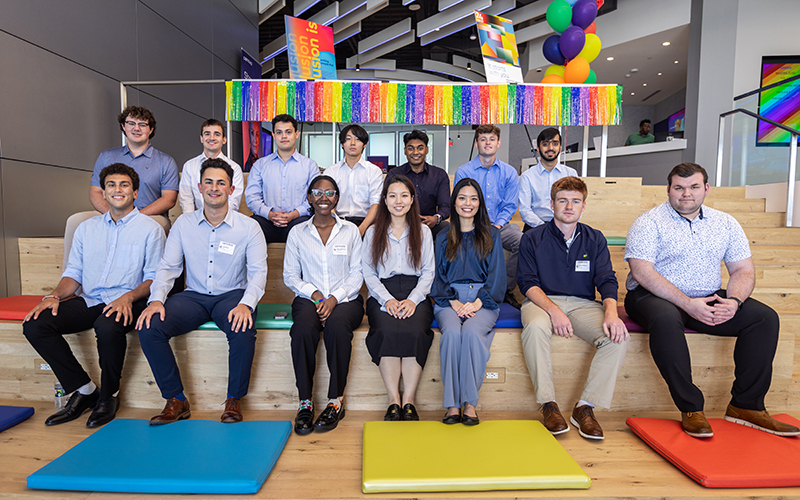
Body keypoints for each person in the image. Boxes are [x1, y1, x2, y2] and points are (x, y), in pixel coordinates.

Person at [624, 163, 799, 438]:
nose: (686, 194)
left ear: (706, 188)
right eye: (679, 188)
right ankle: (691, 408)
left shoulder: (725, 223)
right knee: (666, 319)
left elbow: (743, 270)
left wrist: (735, 301)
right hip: (652, 296)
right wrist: (687, 303)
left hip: (706, 296)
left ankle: (746, 406)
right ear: (668, 189)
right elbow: (642, 272)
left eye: (694, 187)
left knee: (764, 318)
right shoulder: (649, 222)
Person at [23, 164, 165, 428]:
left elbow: (154, 277)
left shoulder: (151, 229)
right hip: (90, 299)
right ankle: (84, 389)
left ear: (135, 192)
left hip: (129, 301)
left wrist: (128, 297)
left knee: (107, 326)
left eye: (124, 185)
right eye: (111, 185)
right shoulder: (86, 229)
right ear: (103, 192)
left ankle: (109, 395)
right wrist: (53, 296)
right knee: (35, 324)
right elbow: (73, 274)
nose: (117, 190)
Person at [136, 158, 267, 425]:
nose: (214, 188)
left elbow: (258, 273)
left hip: (231, 294)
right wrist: (156, 300)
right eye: (209, 182)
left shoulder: (249, 227)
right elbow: (167, 267)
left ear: (231, 190)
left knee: (242, 328)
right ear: (199, 187)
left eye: (221, 183)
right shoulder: (184, 224)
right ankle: (175, 399)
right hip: (193, 296)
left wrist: (246, 304)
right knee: (149, 325)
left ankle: (234, 398)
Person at [517, 177, 629, 440]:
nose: (569, 206)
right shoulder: (532, 238)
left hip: (583, 304)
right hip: (541, 301)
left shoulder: (595, 238)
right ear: (552, 204)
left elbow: (606, 279)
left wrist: (612, 313)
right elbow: (527, 283)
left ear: (583, 206)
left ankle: (585, 408)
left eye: (575, 201)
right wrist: (554, 311)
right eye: (563, 200)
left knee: (617, 338)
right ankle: (548, 404)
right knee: (534, 327)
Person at [284, 175, 364, 435]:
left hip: (346, 299)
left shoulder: (350, 231)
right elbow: (290, 276)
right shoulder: (297, 232)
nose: (323, 198)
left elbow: (358, 273)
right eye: (317, 192)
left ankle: (335, 401)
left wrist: (334, 298)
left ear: (336, 198)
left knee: (337, 328)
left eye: (329, 193)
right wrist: (317, 294)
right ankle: (305, 403)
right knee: (303, 330)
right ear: (309, 198)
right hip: (309, 298)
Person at [64, 106, 178, 269]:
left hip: (149, 215)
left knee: (158, 225)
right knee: (76, 220)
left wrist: (134, 217)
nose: (136, 128)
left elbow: (169, 199)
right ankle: (69, 282)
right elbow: (95, 192)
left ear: (151, 129)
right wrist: (111, 215)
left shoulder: (165, 161)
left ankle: (152, 284)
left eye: (142, 124)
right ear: (123, 127)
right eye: (131, 123)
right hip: (109, 214)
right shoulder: (107, 156)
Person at [431, 178, 505, 426]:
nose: (467, 203)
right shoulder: (442, 236)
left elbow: (497, 277)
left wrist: (476, 303)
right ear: (454, 202)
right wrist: (452, 301)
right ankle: (453, 404)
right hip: (448, 299)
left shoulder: (492, 234)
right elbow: (436, 277)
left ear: (480, 203)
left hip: (483, 299)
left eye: (473, 198)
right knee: (451, 334)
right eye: (462, 197)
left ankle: (470, 404)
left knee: (472, 334)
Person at [362, 175, 435, 422]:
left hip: (416, 292)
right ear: (384, 200)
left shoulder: (423, 231)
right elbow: (369, 273)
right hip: (383, 292)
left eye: (404, 195)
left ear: (412, 199)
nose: (398, 201)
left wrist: (414, 300)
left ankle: (409, 400)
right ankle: (394, 399)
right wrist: (387, 300)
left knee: (414, 331)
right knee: (386, 329)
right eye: (392, 195)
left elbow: (428, 272)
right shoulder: (373, 232)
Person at [454, 124, 522, 309]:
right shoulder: (464, 171)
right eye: (483, 139)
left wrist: (497, 226)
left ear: (498, 143)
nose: (487, 143)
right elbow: (461, 204)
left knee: (520, 240)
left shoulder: (509, 172)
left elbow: (509, 205)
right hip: (471, 224)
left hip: (501, 226)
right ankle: (466, 291)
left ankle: (505, 289)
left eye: (491, 139)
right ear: (476, 144)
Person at [245, 114, 320, 243]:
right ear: (273, 135)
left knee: (307, 226)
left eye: (288, 132)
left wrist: (293, 215)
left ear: (296, 134)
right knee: (251, 225)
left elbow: (315, 197)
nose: (284, 136)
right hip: (267, 221)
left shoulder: (310, 166)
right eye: (279, 132)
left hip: (297, 220)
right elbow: (252, 197)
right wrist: (270, 215)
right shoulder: (260, 165)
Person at [387, 130, 451, 238]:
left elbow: (445, 206)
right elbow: (386, 202)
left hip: (430, 224)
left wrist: (436, 218)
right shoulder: (394, 174)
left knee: (447, 228)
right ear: (405, 151)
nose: (415, 152)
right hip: (399, 223)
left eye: (420, 148)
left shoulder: (439, 175)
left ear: (427, 150)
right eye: (411, 148)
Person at [325, 124, 383, 236]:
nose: (353, 143)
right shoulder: (331, 172)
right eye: (348, 139)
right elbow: (327, 202)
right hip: (337, 221)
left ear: (364, 144)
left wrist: (361, 230)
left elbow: (376, 204)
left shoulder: (374, 171)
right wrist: (337, 225)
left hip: (366, 223)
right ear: (342, 144)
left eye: (357, 139)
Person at [179, 118, 244, 214]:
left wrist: (216, 220)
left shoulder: (235, 168)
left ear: (224, 140)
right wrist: (191, 223)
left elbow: (233, 203)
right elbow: (186, 201)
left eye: (217, 134)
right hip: (196, 221)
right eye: (207, 134)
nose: (212, 138)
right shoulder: (189, 166)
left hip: (225, 221)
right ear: (201, 138)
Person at [518, 128, 577, 231]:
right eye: (545, 144)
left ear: (560, 147)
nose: (550, 148)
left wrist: (566, 224)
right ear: (538, 149)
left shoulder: (571, 174)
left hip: (565, 225)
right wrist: (545, 228)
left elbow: (576, 205)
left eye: (555, 143)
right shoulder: (527, 176)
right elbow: (525, 210)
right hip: (535, 227)